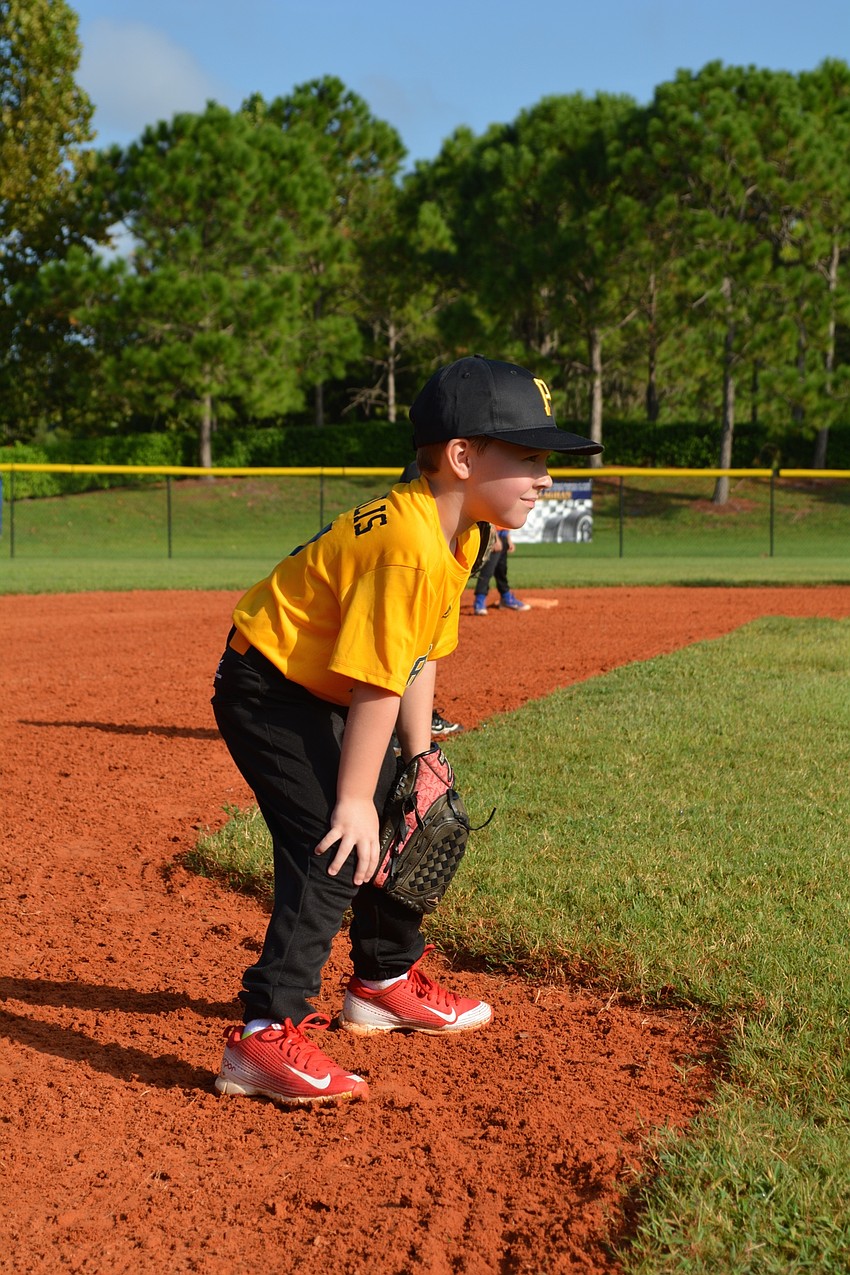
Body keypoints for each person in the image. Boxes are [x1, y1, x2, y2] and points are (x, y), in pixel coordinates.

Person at [211, 353, 601, 1107]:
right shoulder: (409, 544)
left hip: (325, 681)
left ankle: (382, 979)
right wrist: (355, 798)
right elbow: (375, 681)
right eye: (527, 456)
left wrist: (419, 760)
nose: (545, 476)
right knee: (336, 842)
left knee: (408, 811)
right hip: (269, 687)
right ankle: (263, 1034)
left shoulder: (463, 532)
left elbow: (417, 656)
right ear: (462, 457)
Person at [399, 458, 463, 737]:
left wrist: (419, 754)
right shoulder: (411, 547)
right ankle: (395, 728)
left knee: (418, 646)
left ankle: (414, 722)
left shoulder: (463, 540)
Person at [473, 527, 530, 614]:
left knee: (501, 570)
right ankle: (479, 602)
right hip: (492, 536)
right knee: (487, 571)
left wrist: (508, 539)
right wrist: (494, 538)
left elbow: (503, 523)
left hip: (502, 536)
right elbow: (489, 520)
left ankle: (506, 598)